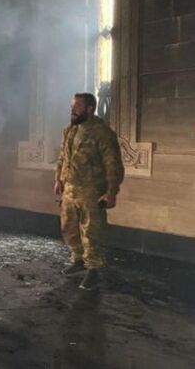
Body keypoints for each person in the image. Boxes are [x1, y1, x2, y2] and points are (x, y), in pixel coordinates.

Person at [54, 93, 124, 291]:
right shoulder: (70, 130)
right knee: (69, 226)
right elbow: (62, 156)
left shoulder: (102, 133)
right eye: (72, 106)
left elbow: (113, 164)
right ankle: (78, 259)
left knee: (91, 230)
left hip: (91, 189)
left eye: (77, 106)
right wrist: (58, 179)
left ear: (90, 108)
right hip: (70, 188)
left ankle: (94, 269)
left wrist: (111, 192)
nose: (72, 110)